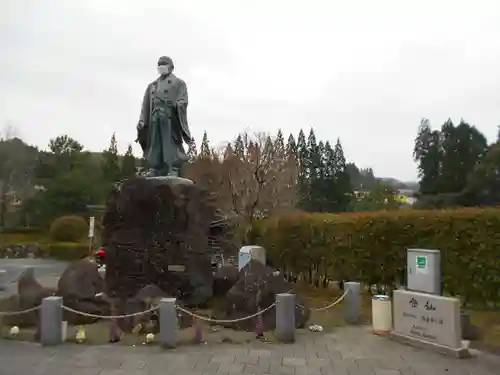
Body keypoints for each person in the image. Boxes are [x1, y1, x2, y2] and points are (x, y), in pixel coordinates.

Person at [136, 56, 193, 177]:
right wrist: (142, 120)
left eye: (164, 64)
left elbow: (183, 100)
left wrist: (176, 106)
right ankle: (154, 167)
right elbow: (145, 105)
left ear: (171, 66)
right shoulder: (152, 86)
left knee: (170, 142)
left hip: (170, 118)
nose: (161, 66)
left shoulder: (179, 83)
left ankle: (173, 168)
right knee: (154, 143)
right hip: (154, 117)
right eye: (159, 64)